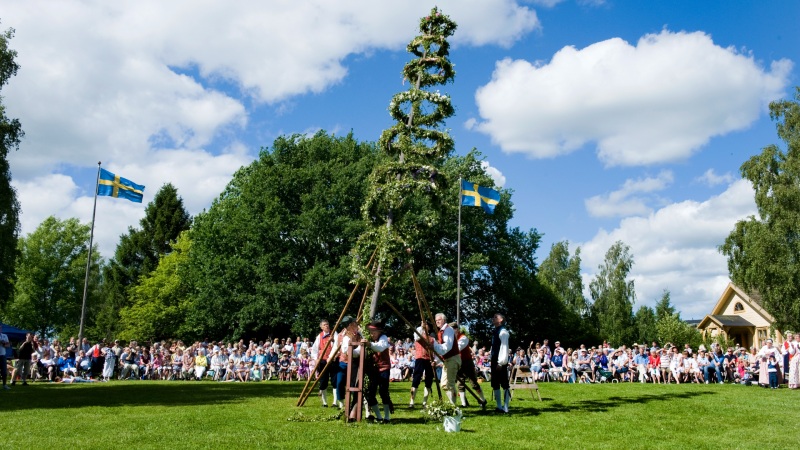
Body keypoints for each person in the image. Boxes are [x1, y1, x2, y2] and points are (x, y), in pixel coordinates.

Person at [331, 316, 361, 416]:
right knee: (339, 382)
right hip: (343, 362)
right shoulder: (340, 335)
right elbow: (335, 348)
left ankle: (353, 405)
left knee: (353, 384)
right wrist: (329, 358)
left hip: (354, 363)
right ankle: (341, 403)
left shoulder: (359, 334)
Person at [365, 321, 393, 423]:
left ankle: (387, 417)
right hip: (373, 369)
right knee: (370, 393)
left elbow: (380, 347)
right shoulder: (369, 339)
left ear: (379, 331)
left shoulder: (383, 338)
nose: (372, 334)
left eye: (374, 331)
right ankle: (379, 416)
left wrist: (369, 344)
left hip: (384, 368)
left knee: (383, 392)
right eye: (370, 332)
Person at [432, 313, 461, 405]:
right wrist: (436, 361)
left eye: (439, 320)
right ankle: (452, 404)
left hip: (453, 359)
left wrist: (434, 345)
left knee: (449, 384)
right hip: (448, 359)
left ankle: (453, 406)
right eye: (436, 321)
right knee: (444, 385)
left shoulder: (448, 330)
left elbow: (447, 347)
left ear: (444, 320)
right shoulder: (441, 332)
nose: (437, 322)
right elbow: (443, 352)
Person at [310, 319, 337, 407]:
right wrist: (315, 359)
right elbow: (314, 349)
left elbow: (339, 345)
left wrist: (333, 340)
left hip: (333, 360)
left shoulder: (334, 333)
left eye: (327, 324)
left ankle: (335, 402)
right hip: (322, 361)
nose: (327, 326)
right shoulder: (319, 336)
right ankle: (324, 403)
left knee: (335, 381)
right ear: (321, 327)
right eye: (325, 325)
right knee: (323, 381)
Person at [409, 321, 434, 409]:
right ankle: (411, 402)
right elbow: (417, 337)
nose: (424, 326)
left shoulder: (432, 338)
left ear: (429, 328)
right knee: (416, 379)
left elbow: (435, 350)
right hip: (420, 358)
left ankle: (424, 402)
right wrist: (421, 328)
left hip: (429, 360)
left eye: (426, 325)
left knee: (428, 381)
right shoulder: (418, 334)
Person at [490, 313, 510, 414]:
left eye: (495, 317)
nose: (493, 319)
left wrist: (501, 362)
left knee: (504, 383)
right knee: (495, 383)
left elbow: (504, 348)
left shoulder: (503, 332)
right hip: (494, 360)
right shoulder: (496, 331)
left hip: (500, 361)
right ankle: (499, 406)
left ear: (501, 320)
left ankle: (506, 407)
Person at [0, 324, 10, 390]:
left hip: (2, 355)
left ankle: (4, 385)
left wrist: (3, 343)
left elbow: (8, 345)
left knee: (4, 371)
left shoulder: (4, 336)